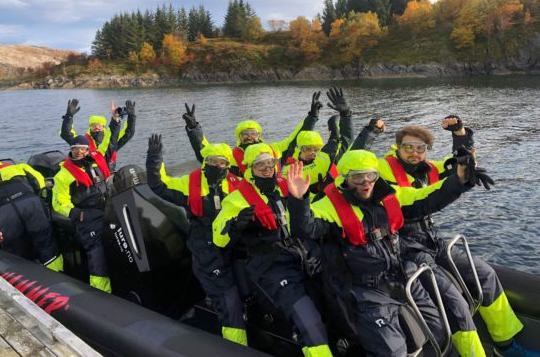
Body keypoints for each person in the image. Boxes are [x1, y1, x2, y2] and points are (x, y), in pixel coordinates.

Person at [286, 149, 487, 356]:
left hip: (402, 276)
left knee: (439, 332)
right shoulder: (328, 208)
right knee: (393, 351)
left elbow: (426, 198)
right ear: (345, 179)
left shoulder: (390, 195)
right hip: (364, 289)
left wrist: (459, 180)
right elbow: (305, 229)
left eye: (370, 176)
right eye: (357, 177)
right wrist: (299, 201)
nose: (366, 183)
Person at [378, 118, 534, 357]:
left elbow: (457, 162)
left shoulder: (428, 168)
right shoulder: (382, 173)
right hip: (403, 248)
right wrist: (457, 181)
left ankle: (505, 346)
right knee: (455, 303)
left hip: (430, 240)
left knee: (485, 274)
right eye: (408, 147)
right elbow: (415, 201)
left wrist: (460, 136)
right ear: (397, 146)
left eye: (420, 148)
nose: (414, 153)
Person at [212, 143, 332, 357]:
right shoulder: (236, 200)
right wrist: (236, 225)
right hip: (271, 265)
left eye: (271, 165)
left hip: (302, 255)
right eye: (261, 166)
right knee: (307, 319)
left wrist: (301, 199)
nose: (268, 170)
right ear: (250, 170)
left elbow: (311, 217)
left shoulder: (287, 187)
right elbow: (218, 236)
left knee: (337, 292)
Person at [146, 135, 247, 346]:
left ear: (228, 165)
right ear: (205, 163)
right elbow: (159, 184)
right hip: (206, 251)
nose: (217, 166)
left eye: (222, 162)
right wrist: (155, 157)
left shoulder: (237, 186)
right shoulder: (189, 185)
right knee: (229, 303)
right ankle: (236, 346)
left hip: (233, 246)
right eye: (213, 161)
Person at [182, 91, 323, 176]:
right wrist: (194, 128)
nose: (249, 136)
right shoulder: (231, 156)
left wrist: (312, 117)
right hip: (246, 197)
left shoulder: (275, 149)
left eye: (253, 133)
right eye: (244, 133)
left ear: (259, 135)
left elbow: (298, 137)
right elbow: (205, 152)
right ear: (239, 137)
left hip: (274, 192)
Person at [52, 135, 111, 293]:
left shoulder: (96, 164)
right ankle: (100, 291)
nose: (78, 151)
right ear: (70, 150)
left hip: (105, 207)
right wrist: (76, 213)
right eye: (75, 148)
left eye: (82, 148)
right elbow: (58, 202)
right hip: (86, 216)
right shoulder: (63, 176)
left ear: (88, 150)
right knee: (97, 250)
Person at [0, 161, 63, 272]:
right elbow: (39, 181)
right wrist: (39, 198)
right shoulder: (19, 167)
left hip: (7, 212)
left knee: (15, 248)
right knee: (45, 242)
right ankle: (57, 273)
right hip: (30, 202)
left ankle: (24, 278)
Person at [281, 87, 354, 198]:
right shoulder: (289, 169)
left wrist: (346, 116)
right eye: (308, 149)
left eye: (317, 149)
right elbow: (299, 137)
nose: (313, 153)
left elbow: (346, 141)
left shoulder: (325, 159)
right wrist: (333, 139)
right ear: (299, 149)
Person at [60, 98, 136, 170]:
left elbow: (128, 132)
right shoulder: (83, 141)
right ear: (89, 127)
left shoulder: (113, 139)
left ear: (104, 127)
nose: (97, 128)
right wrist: (69, 117)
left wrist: (131, 116)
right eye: (94, 125)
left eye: (100, 125)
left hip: (108, 171)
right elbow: (66, 134)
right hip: (88, 171)